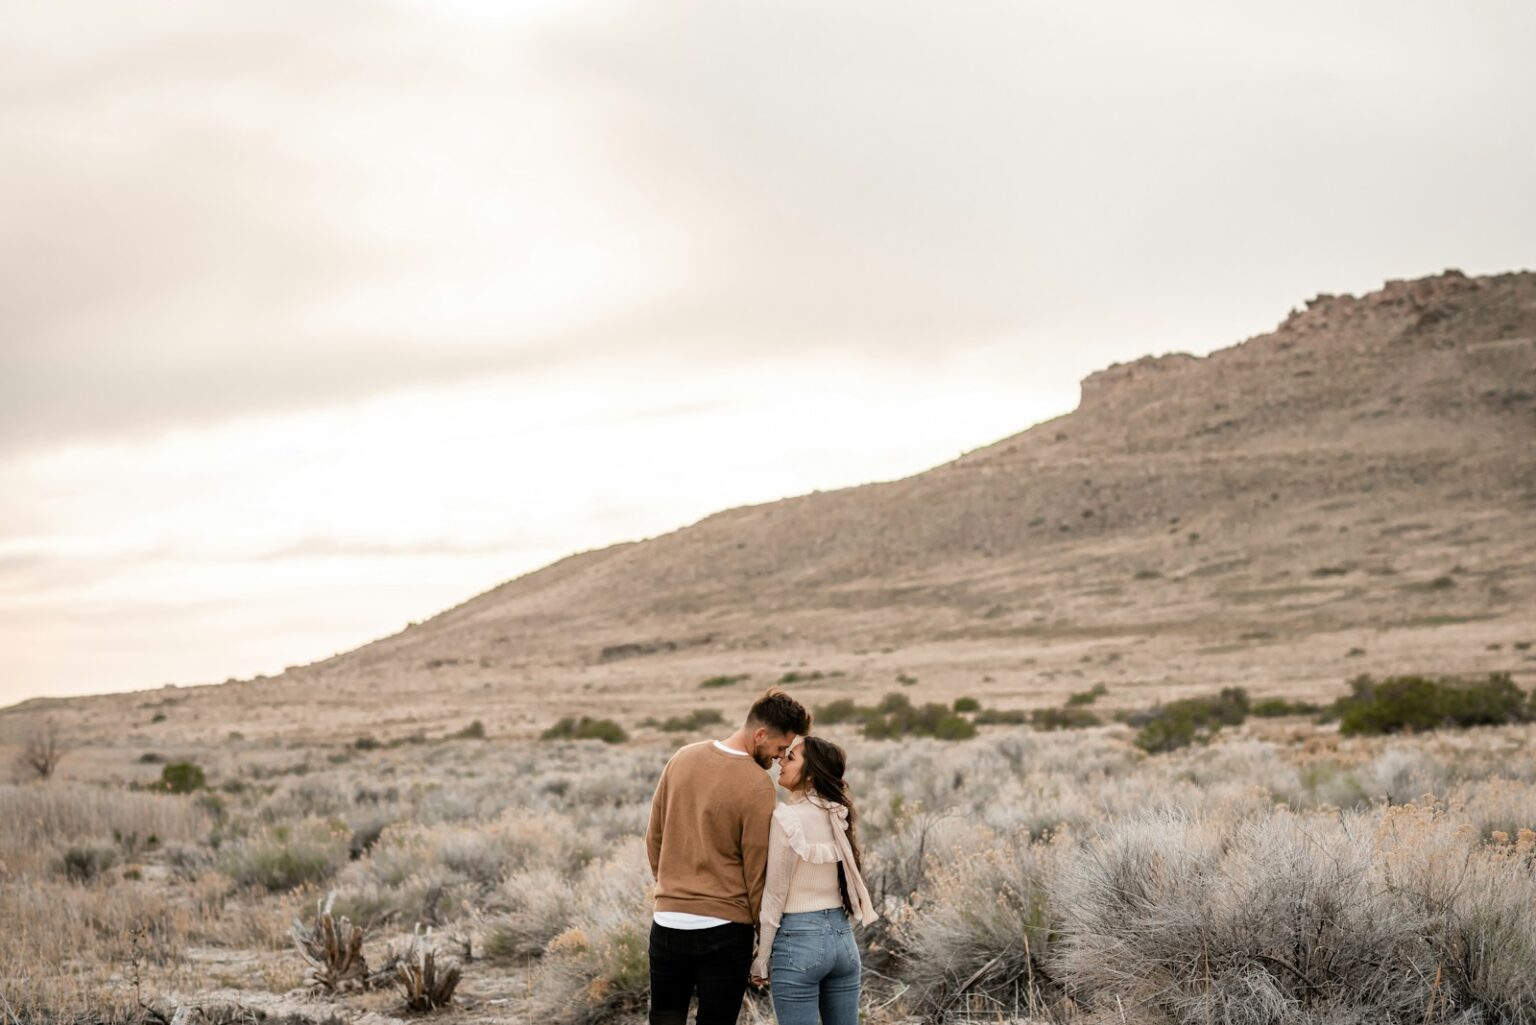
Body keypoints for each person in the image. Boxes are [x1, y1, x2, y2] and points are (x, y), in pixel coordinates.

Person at [646, 687, 812, 1025]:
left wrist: (672, 890)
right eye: (780, 748)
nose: (780, 757)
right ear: (761, 733)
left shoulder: (682, 757)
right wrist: (758, 935)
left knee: (664, 1017)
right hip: (725, 929)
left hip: (667, 922)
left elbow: (654, 837)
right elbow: (756, 871)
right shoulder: (757, 785)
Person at [750, 735, 878, 1025]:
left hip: (799, 942)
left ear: (810, 774)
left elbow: (774, 893)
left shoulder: (786, 818)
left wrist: (762, 956)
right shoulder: (837, 813)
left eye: (791, 758)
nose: (781, 761)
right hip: (843, 940)